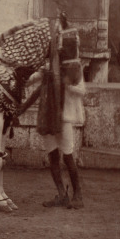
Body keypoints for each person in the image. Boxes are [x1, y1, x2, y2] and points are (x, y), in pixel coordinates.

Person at [42, 60, 86, 209]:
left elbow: (82, 90)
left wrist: (66, 83)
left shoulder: (72, 67)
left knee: (68, 156)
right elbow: (35, 79)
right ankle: (61, 194)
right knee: (52, 156)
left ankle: (78, 195)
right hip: (48, 118)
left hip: (65, 119)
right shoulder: (49, 67)